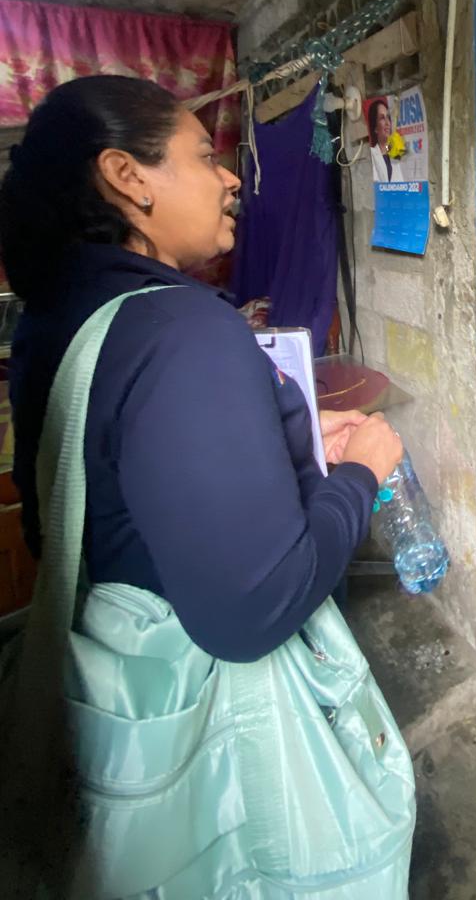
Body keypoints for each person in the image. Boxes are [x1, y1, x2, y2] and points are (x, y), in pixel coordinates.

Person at [0, 76, 408, 889]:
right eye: (201, 156)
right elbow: (254, 610)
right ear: (128, 177)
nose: (229, 178)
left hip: (113, 683)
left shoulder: (59, 320)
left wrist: (293, 445)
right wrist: (360, 475)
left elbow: (88, 506)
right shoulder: (183, 330)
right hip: (207, 714)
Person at [369, 97, 404, 183]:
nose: (387, 123)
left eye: (388, 117)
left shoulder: (394, 152)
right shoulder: (371, 154)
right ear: (375, 128)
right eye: (382, 118)